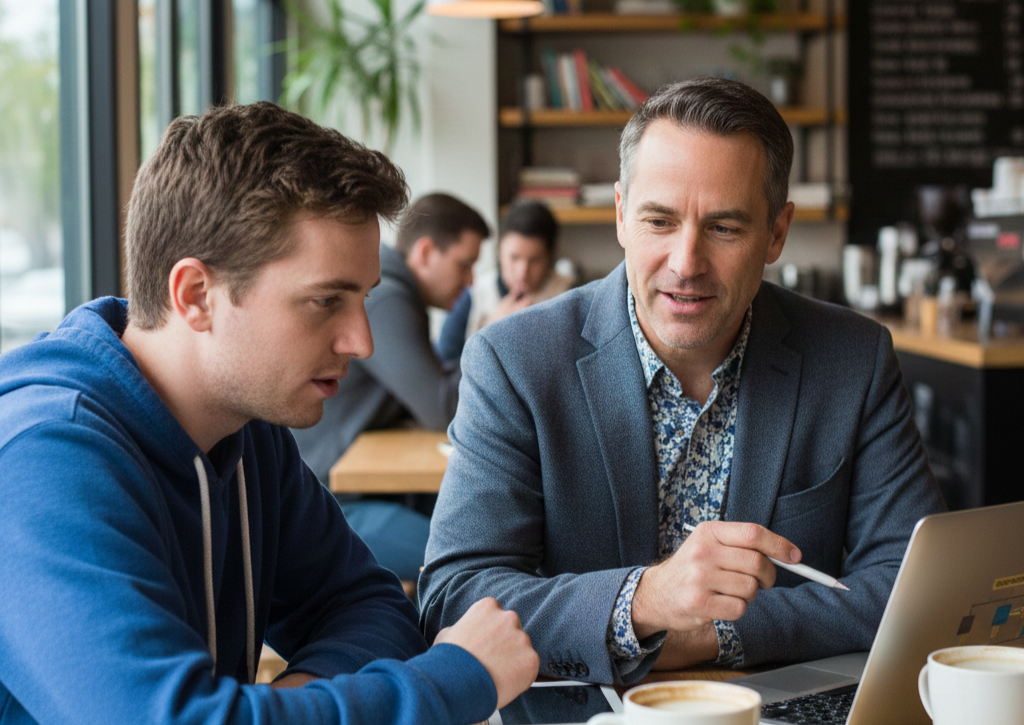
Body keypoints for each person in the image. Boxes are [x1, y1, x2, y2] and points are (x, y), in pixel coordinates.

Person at [0, 102, 538, 725]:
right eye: (325, 302)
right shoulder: (42, 464)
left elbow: (368, 605)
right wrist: (454, 679)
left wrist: (281, 715)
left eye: (362, 299)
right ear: (195, 295)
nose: (360, 340)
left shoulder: (246, 429)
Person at [418, 78, 945, 686]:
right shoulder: (512, 362)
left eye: (724, 228)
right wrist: (645, 602)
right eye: (659, 220)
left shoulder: (854, 358)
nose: (686, 262)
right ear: (620, 214)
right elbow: (455, 599)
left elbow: (913, 586)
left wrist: (712, 635)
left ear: (777, 232)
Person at [291, 192, 490, 579]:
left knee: (487, 529)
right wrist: (498, 339)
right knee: (464, 565)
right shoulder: (386, 296)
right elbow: (440, 405)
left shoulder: (397, 292)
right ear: (427, 252)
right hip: (331, 500)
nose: (469, 282)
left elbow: (435, 377)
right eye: (464, 265)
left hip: (362, 487)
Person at [436, 200, 575, 362]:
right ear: (499, 251)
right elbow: (446, 365)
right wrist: (492, 329)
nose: (523, 271)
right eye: (514, 258)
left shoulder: (571, 294)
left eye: (535, 260)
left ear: (551, 255)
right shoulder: (472, 294)